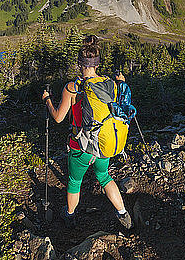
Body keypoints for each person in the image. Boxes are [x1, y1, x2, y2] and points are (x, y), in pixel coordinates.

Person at [41, 35, 133, 230]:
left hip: (80, 146)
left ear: (79, 63)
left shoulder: (72, 88)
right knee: (105, 177)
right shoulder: (110, 84)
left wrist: (47, 100)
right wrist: (121, 82)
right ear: (98, 63)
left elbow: (58, 117)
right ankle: (123, 214)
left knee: (74, 181)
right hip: (102, 143)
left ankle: (70, 216)